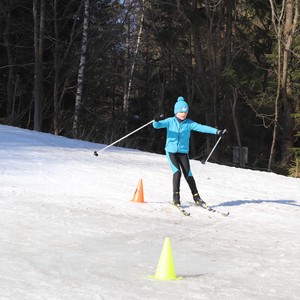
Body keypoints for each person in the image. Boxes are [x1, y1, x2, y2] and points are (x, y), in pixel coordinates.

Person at [153, 96, 227, 207]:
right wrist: (156, 119)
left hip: (183, 152)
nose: (183, 114)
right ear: (176, 111)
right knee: (177, 172)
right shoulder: (170, 121)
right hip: (171, 151)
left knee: (189, 174)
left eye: (185, 112)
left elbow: (202, 127)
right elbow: (157, 125)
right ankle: (176, 198)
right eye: (181, 111)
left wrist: (217, 132)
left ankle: (197, 197)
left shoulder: (189, 123)